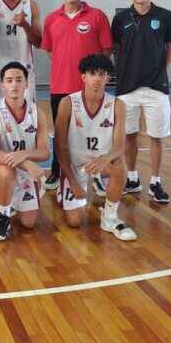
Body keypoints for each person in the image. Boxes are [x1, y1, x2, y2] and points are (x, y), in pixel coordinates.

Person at [41, 0, 113, 194]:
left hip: (89, 88)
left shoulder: (97, 16)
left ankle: (96, 174)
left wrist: (92, 75)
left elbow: (107, 49)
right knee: (60, 132)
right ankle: (57, 171)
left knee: (94, 132)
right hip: (60, 86)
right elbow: (49, 49)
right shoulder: (52, 18)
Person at [54, 54, 137, 241]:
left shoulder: (117, 105)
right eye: (92, 74)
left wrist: (104, 159)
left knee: (119, 165)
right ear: (83, 77)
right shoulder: (68, 103)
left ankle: (109, 216)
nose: (98, 78)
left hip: (101, 161)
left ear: (108, 78)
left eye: (102, 74)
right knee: (75, 221)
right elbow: (59, 147)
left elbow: (119, 146)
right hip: (76, 164)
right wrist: (73, 182)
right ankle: (69, 187)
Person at [111, 0, 171, 202]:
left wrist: (160, 69)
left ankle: (156, 182)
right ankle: (132, 177)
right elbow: (116, 48)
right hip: (127, 88)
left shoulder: (167, 16)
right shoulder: (120, 19)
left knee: (157, 137)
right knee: (129, 135)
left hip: (156, 87)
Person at [0, 61, 49, 241]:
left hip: (25, 168)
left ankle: (17, 196)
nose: (14, 84)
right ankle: (3, 215)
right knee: (6, 174)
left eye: (19, 80)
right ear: (2, 85)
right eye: (9, 80)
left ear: (27, 84)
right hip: (1, 165)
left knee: (29, 223)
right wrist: (25, 161)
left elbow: (44, 152)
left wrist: (25, 154)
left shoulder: (38, 113)